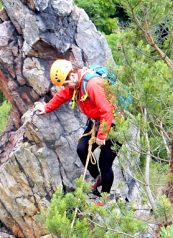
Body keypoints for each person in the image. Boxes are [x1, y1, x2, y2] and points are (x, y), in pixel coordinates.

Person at [34, 59, 119, 201]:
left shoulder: (92, 85)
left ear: (71, 75)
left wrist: (102, 135)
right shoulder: (75, 84)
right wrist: (46, 108)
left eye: (66, 84)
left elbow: (107, 110)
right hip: (98, 121)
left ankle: (105, 196)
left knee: (105, 162)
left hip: (116, 124)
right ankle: (98, 178)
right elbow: (62, 96)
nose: (66, 88)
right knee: (82, 149)